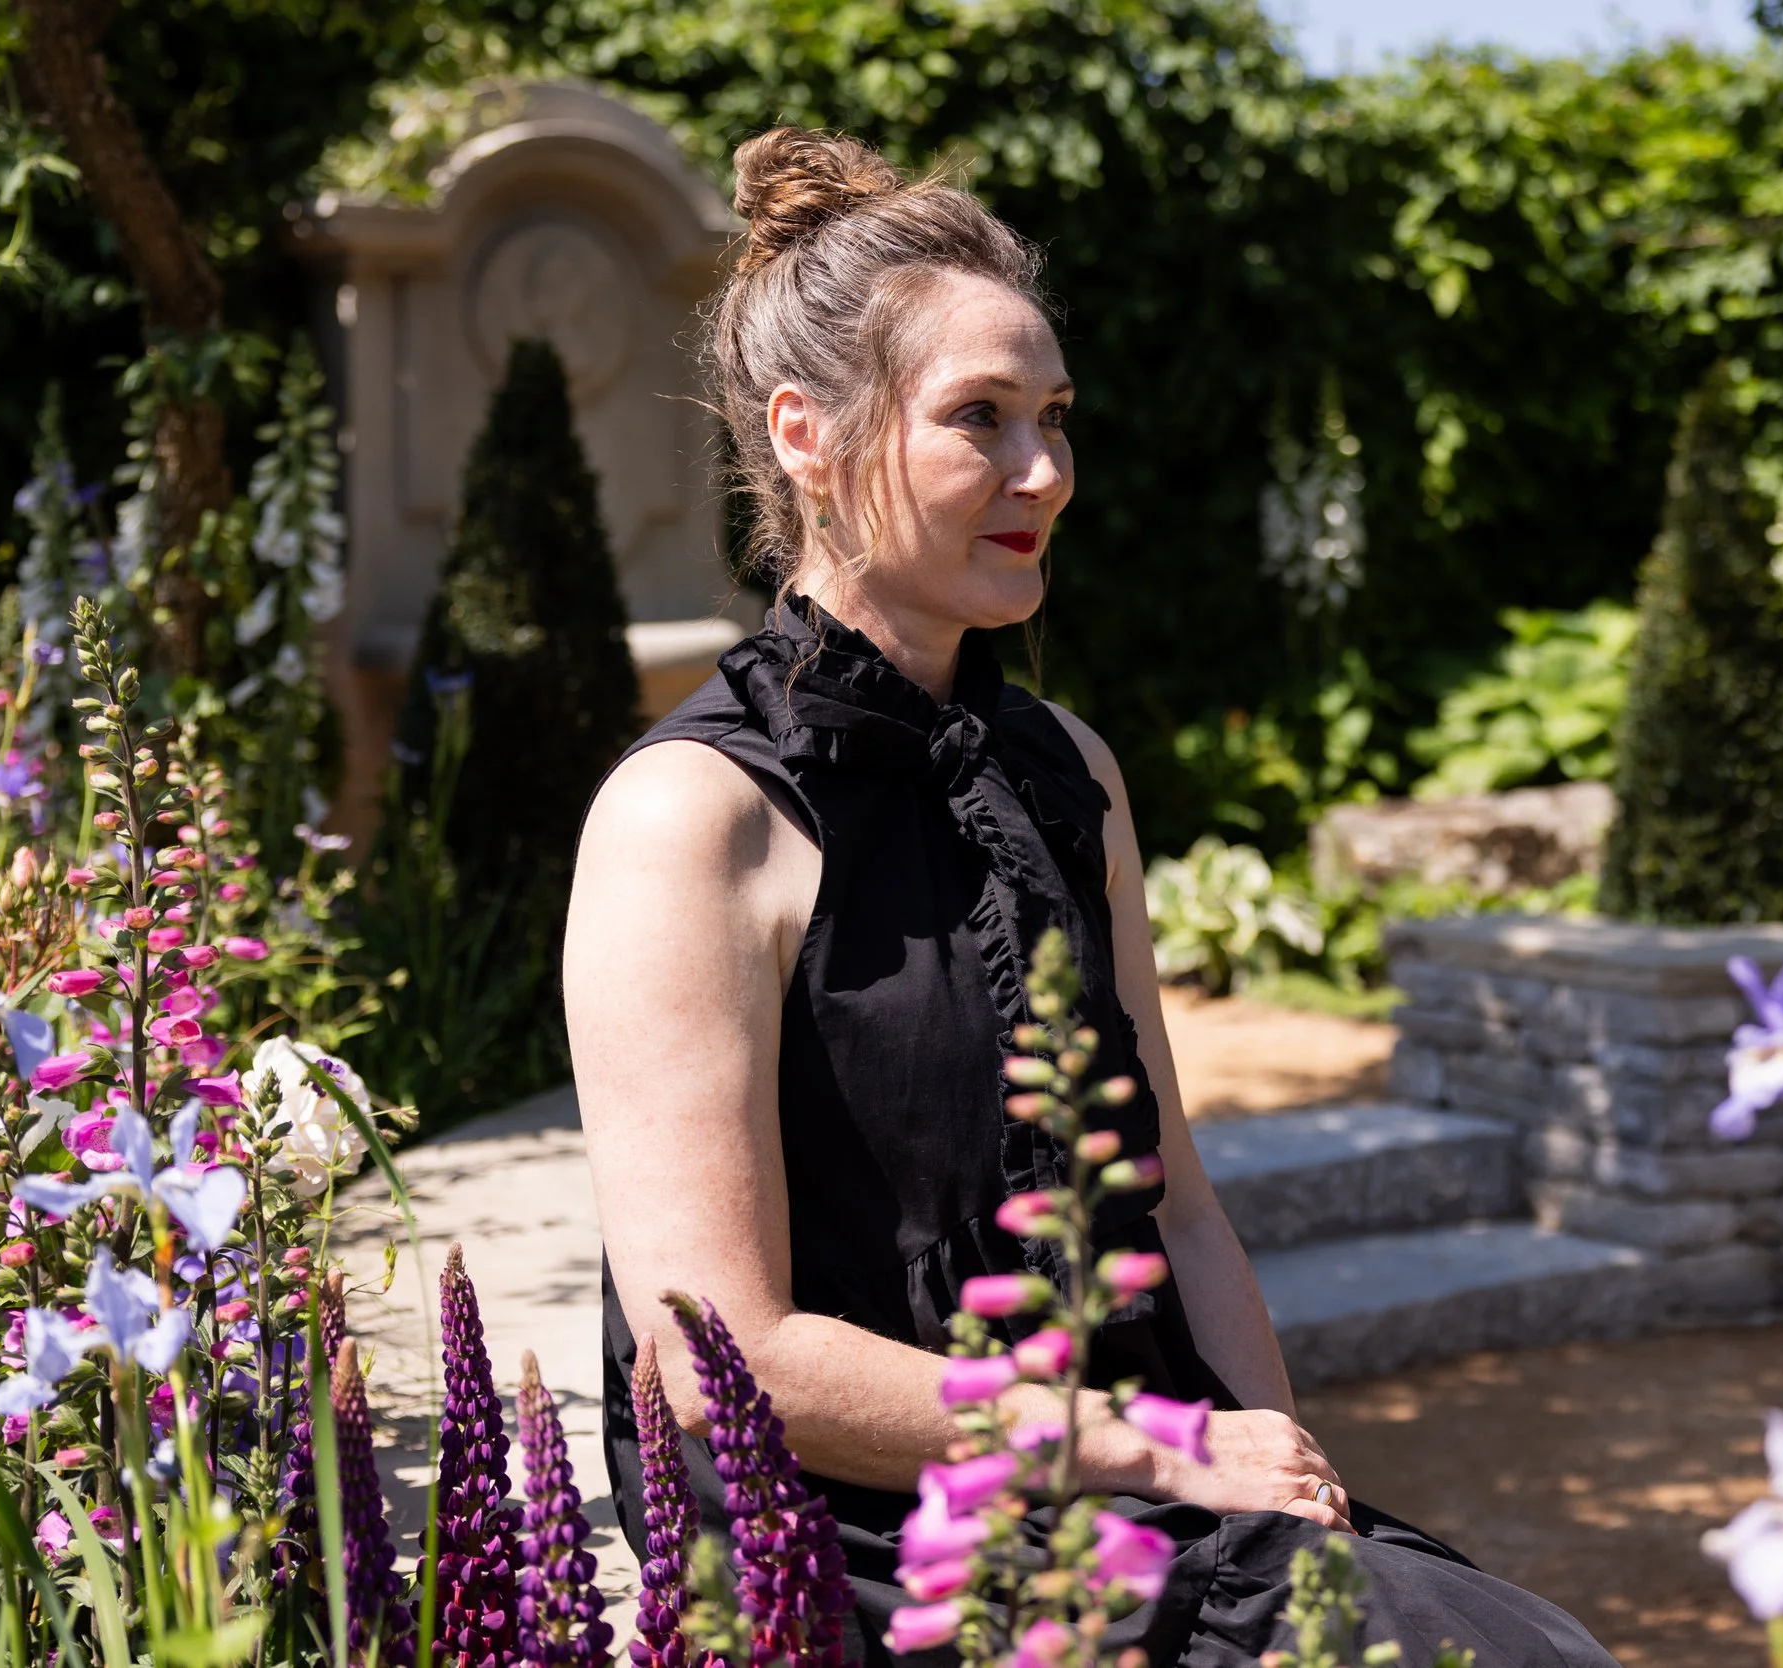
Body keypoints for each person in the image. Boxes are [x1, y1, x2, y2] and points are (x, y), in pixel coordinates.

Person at [568, 126, 1617, 1668]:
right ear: (805, 431)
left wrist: (1280, 1480)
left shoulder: (1068, 767)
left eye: (1055, 418)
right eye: (979, 419)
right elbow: (716, 1358)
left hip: (1144, 1493)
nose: (1043, 473)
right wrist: (1166, 1455)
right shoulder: (690, 819)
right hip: (866, 1552)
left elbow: (1177, 1202)